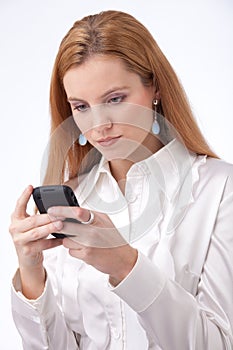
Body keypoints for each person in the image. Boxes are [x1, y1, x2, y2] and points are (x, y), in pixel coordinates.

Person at [9, 10, 233, 350]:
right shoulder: (73, 199)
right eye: (81, 106)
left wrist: (127, 266)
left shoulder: (220, 190)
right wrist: (31, 273)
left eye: (115, 99)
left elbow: (217, 343)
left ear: (154, 86)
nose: (99, 125)